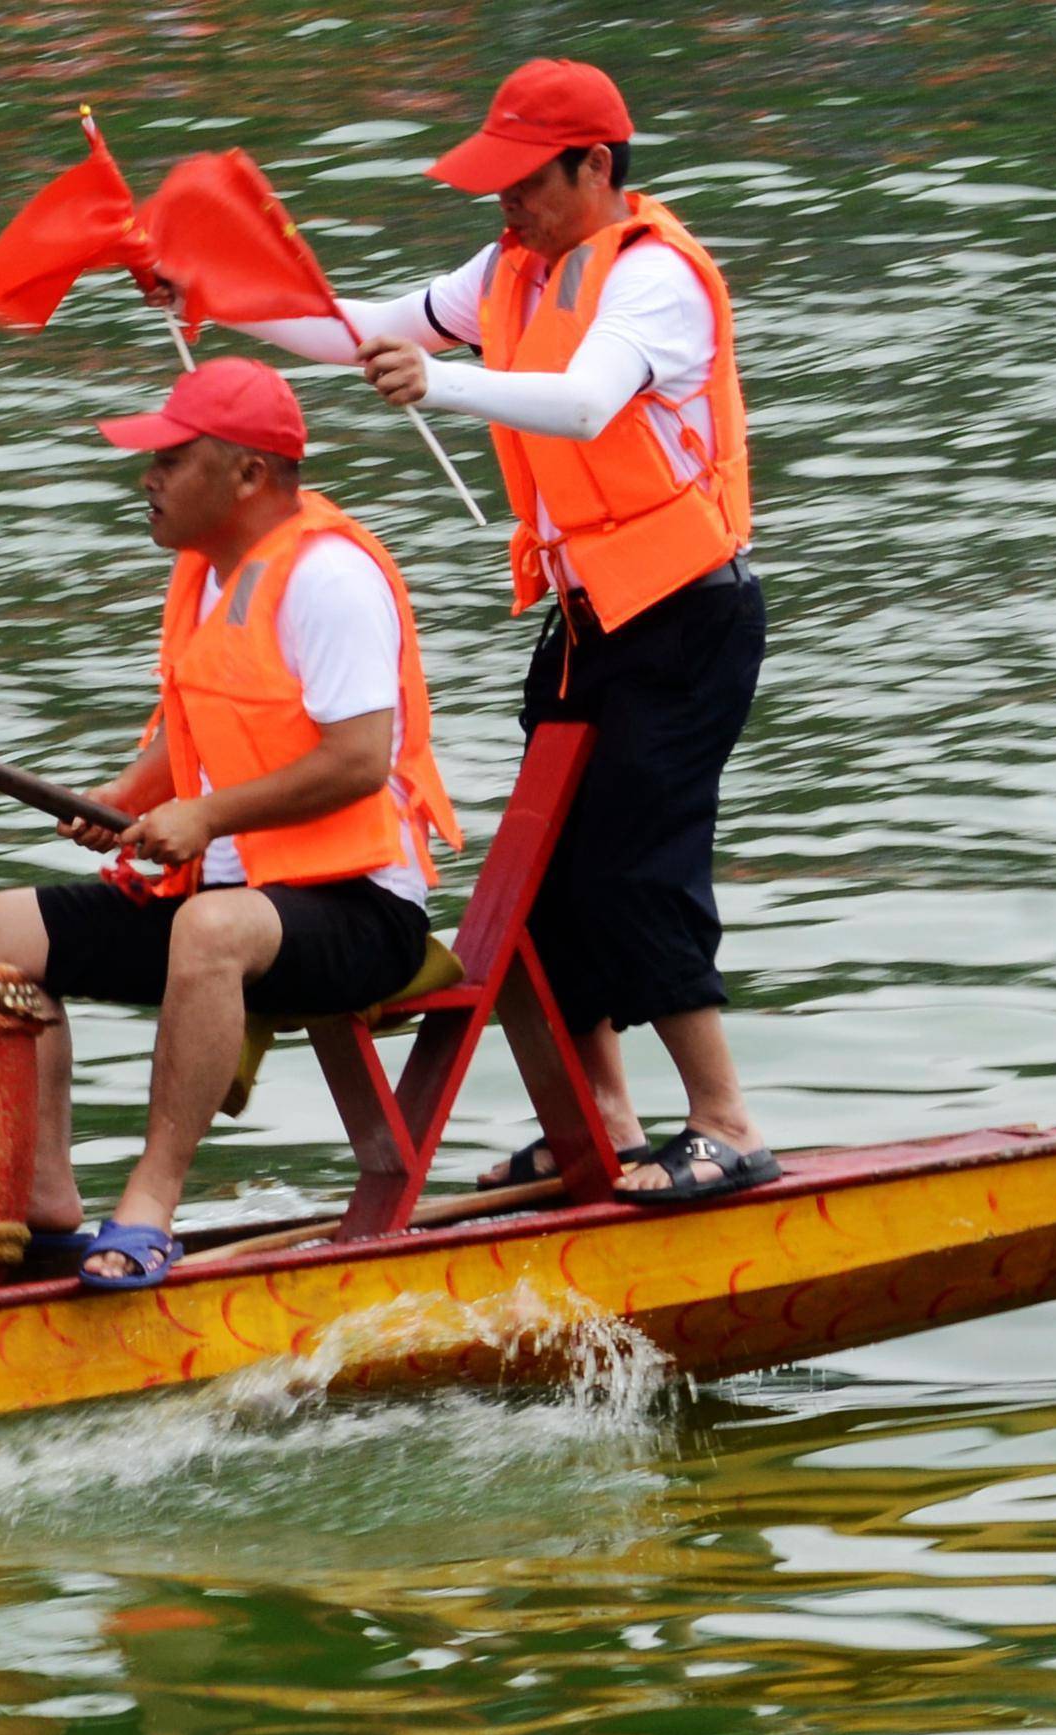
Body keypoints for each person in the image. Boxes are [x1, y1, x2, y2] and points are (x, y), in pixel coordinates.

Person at [234, 57, 777, 1202]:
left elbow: (585, 402)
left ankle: (725, 1124)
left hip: (688, 617)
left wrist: (441, 386)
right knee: (544, 880)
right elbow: (360, 328)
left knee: (639, 865)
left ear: (594, 166)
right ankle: (605, 1127)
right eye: (496, 187)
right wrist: (209, 298)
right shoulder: (509, 272)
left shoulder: (655, 280)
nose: (506, 207)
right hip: (588, 621)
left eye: (524, 183)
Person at [0, 361, 464, 1291]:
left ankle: (149, 1207)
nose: (146, 478)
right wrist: (120, 801)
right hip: (234, 891)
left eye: (171, 459)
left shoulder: (330, 577)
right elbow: (197, 736)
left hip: (361, 910)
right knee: (2, 931)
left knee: (208, 929)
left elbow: (359, 759)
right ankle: (47, 1207)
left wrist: (207, 817)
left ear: (248, 476)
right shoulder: (203, 573)